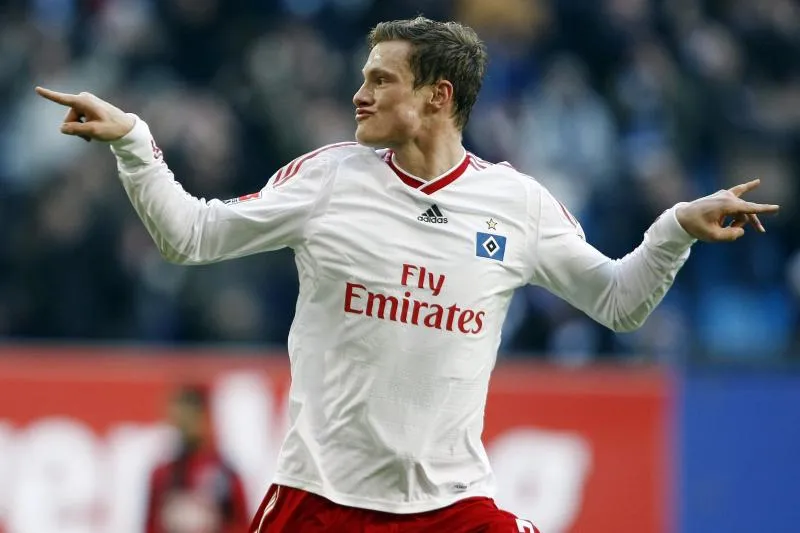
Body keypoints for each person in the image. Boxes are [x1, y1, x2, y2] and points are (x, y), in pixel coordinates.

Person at [36, 16, 777, 533]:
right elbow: (190, 236)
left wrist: (674, 229)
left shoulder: (516, 204)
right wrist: (133, 140)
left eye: (380, 79)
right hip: (321, 501)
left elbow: (618, 302)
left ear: (436, 96)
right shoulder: (329, 179)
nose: (359, 93)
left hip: (451, 507)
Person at [144, 385, 249, 533]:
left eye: (189, 418)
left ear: (204, 417)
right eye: (179, 420)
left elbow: (242, 523)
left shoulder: (224, 473)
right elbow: (152, 525)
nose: (184, 426)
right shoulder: (163, 474)